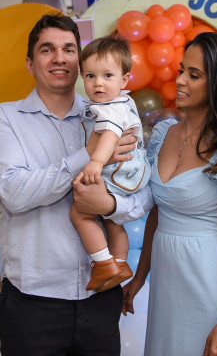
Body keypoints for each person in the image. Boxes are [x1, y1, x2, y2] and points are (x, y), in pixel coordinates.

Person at [0, 13, 153, 356]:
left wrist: (110, 206)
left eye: (69, 49)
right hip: (33, 301)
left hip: (99, 298)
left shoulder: (110, 114)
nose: (59, 58)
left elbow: (141, 190)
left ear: (80, 61)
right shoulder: (5, 118)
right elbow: (15, 194)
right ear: (30, 64)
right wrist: (88, 155)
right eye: (47, 50)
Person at [122, 32, 217, 356]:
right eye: (181, 70)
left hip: (212, 281)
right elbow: (157, 214)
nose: (180, 81)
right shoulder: (163, 133)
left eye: (194, 75)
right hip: (167, 280)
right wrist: (140, 277)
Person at [70, 36, 150, 292]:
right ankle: (120, 264)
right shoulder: (124, 101)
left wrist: (95, 162)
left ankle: (104, 263)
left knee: (79, 213)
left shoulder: (109, 109)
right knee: (113, 222)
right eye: (90, 76)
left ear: (124, 80)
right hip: (131, 173)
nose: (98, 83)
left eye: (107, 75)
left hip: (116, 171)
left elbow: (110, 134)